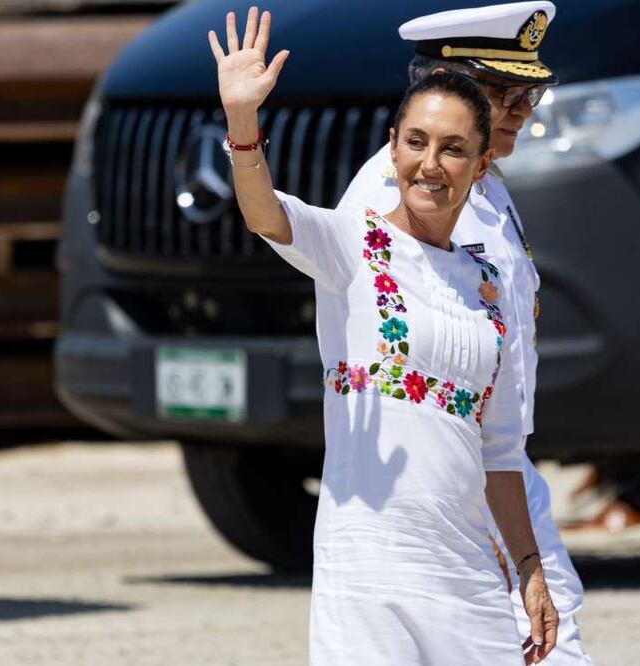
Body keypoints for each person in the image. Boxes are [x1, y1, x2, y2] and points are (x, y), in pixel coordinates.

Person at [207, 7, 559, 664]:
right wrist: (241, 123)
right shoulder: (353, 244)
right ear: (392, 145)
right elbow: (267, 215)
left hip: (467, 572)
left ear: (481, 164)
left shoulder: (486, 284)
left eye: (453, 149)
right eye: (417, 143)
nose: (431, 164)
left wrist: (532, 569)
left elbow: (500, 453)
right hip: (367, 567)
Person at [337, 4, 593, 664]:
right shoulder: (389, 193)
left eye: (527, 92)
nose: (519, 108)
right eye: (499, 90)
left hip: (500, 467)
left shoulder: (488, 186)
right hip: (444, 481)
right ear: (441, 86)